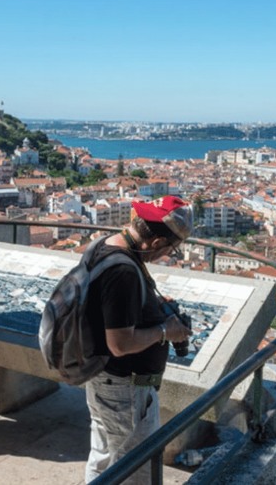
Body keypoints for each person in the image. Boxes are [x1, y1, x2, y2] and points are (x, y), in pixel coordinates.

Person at [83, 195, 194, 483]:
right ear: (156, 243)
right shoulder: (123, 271)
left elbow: (107, 309)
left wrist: (150, 306)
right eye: (171, 249)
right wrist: (166, 331)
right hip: (125, 388)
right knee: (135, 467)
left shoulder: (104, 245)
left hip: (102, 376)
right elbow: (119, 344)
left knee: (105, 455)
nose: (168, 254)